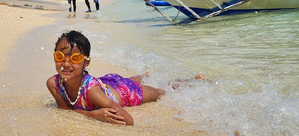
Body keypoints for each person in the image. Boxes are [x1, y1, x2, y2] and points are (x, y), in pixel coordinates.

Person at [46, 31, 205, 125]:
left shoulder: (92, 92)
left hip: (126, 92)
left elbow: (128, 120)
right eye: (60, 56)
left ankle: (192, 80)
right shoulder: (54, 84)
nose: (66, 63)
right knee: (120, 80)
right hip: (107, 84)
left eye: (74, 59)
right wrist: (93, 114)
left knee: (163, 91)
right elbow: (65, 110)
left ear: (86, 62)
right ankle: (143, 75)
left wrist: (94, 114)